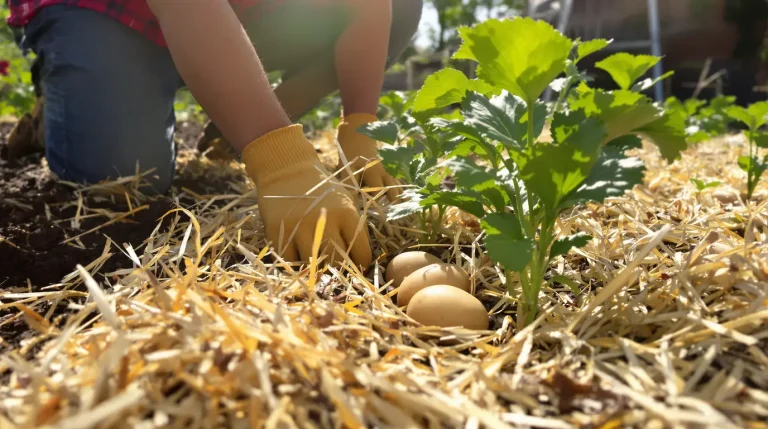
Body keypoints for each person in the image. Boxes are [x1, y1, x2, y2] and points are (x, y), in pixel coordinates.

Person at [6, 0, 423, 267]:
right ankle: (60, 101)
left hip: (231, 11)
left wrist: (360, 124)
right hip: (101, 10)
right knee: (120, 176)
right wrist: (279, 158)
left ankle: (243, 111)